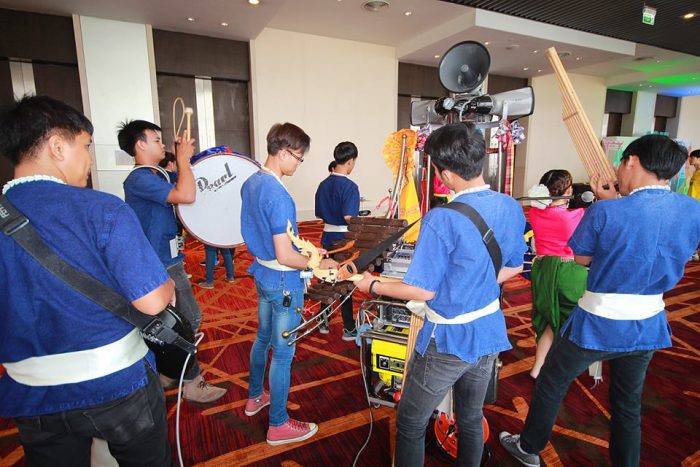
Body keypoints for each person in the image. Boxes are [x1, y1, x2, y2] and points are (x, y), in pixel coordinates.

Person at [500, 134, 700, 467]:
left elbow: (582, 259)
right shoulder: (693, 209)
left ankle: (529, 446)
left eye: (620, 164)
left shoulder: (606, 210)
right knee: (627, 402)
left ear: (632, 161)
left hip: (598, 321)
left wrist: (610, 204)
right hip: (648, 322)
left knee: (551, 381)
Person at [0, 96, 173, 466]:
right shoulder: (101, 209)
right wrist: (169, 286)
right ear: (57, 146)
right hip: (115, 383)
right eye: (86, 146)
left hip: (31, 393)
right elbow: (153, 301)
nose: (90, 160)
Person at [356, 123, 527, 466]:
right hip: (489, 330)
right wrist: (473, 282)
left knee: (410, 422)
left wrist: (372, 284)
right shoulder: (509, 206)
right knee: (471, 417)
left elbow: (422, 289)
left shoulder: (442, 218)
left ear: (445, 174)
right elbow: (514, 267)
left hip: (449, 339)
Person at [241, 122, 336, 445]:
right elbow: (284, 255)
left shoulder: (252, 182)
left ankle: (255, 396)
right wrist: (317, 263)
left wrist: (306, 250)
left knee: (262, 338)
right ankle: (278, 424)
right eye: (298, 157)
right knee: (283, 355)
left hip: (262, 274)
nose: (298, 163)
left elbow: (273, 239)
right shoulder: (279, 195)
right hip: (283, 281)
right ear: (283, 153)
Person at [118, 120, 227, 403]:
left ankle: (167, 374)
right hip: (159, 262)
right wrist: (183, 160)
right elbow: (186, 194)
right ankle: (191, 382)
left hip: (166, 258)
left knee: (172, 322)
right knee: (186, 320)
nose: (162, 144)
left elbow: (190, 186)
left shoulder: (157, 175)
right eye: (156, 140)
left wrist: (187, 163)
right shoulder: (139, 179)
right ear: (140, 145)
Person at [527, 170, 588, 379]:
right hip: (567, 272)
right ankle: (563, 369)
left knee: (548, 320)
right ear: (568, 191)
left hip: (542, 269)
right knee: (571, 320)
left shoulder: (534, 213)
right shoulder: (577, 215)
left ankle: (537, 368)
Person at [314, 141, 360, 340]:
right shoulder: (350, 187)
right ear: (350, 162)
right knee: (345, 281)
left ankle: (323, 320)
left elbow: (319, 214)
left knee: (326, 277)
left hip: (327, 237)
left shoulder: (323, 184)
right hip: (343, 240)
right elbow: (349, 217)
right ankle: (348, 328)